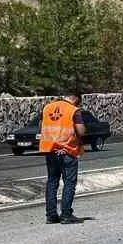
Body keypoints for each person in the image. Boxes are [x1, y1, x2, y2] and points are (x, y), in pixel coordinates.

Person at [38, 89, 86, 224]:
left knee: (52, 182)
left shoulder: (47, 108)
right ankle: (66, 214)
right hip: (66, 151)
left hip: (49, 150)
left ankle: (51, 215)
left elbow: (41, 127)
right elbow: (81, 131)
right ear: (75, 98)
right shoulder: (73, 110)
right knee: (69, 182)